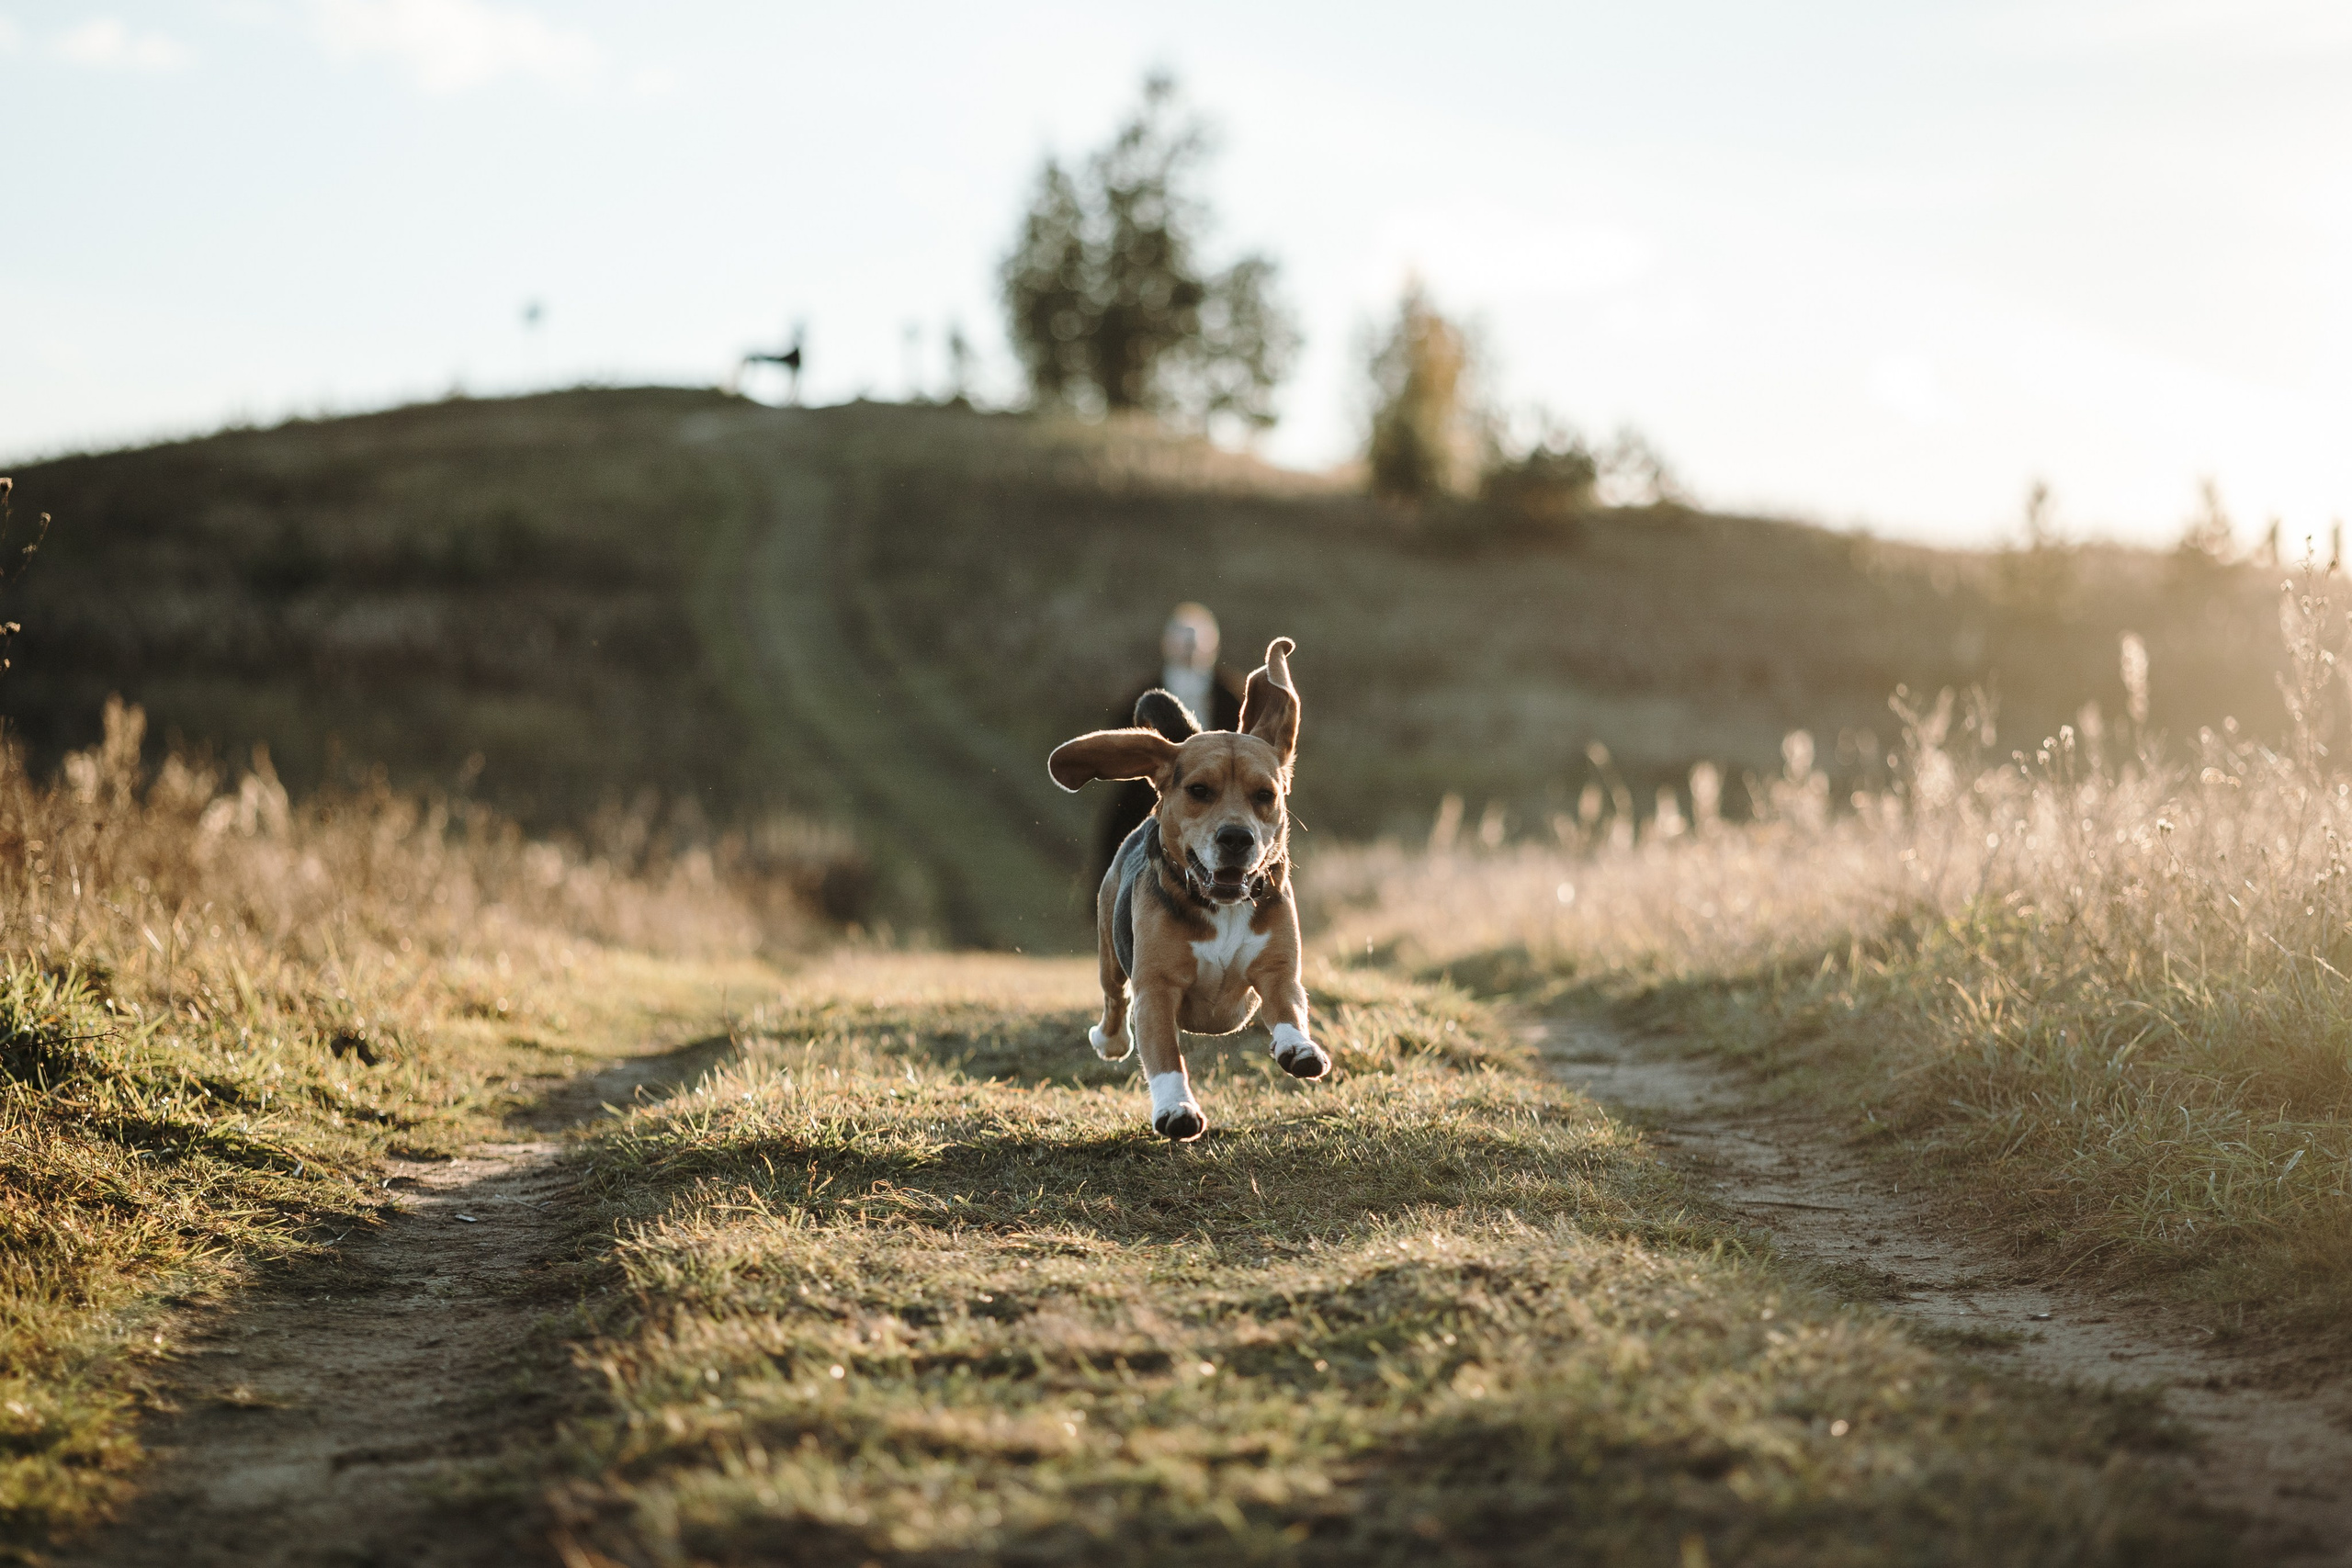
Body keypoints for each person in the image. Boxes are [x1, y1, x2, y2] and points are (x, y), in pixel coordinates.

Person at [1092, 603, 1248, 887]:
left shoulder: (1231, 696)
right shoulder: (1144, 694)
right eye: (1183, 639)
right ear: (1168, 644)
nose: (1190, 648)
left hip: (1220, 799)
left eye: (1197, 640)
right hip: (1151, 798)